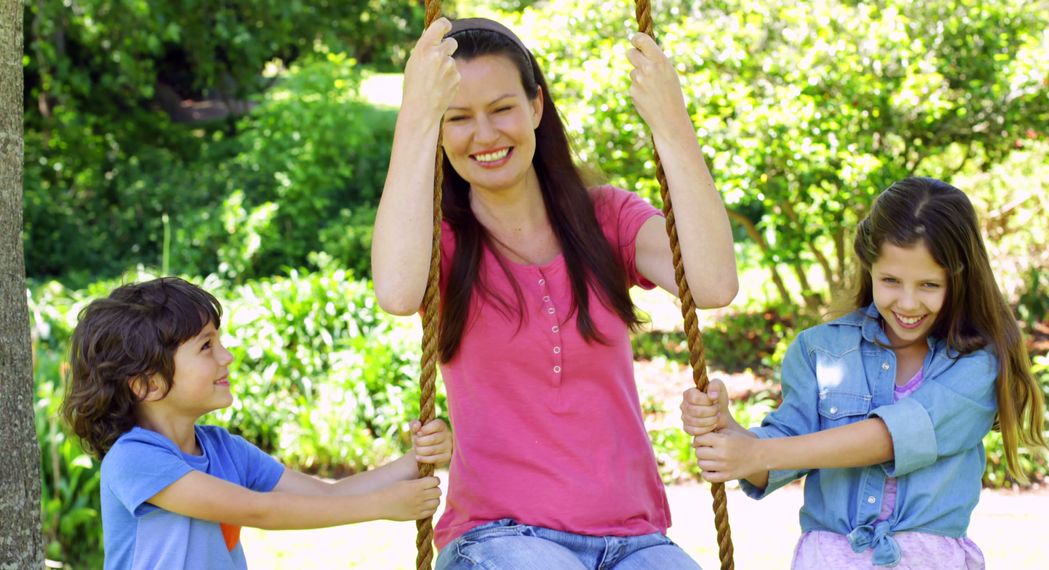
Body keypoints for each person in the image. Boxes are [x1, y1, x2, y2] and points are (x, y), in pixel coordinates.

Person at [372, 16, 738, 570]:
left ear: (536, 107)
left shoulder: (606, 218)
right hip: (499, 537)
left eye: (502, 109)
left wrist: (672, 123)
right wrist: (415, 117)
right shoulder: (437, 245)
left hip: (634, 538)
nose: (486, 135)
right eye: (458, 119)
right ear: (439, 131)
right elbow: (397, 293)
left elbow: (713, 283)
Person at [682, 177, 1046, 569]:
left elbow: (893, 437)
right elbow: (780, 455)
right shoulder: (821, 351)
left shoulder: (975, 365)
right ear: (869, 266)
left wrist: (758, 451)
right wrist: (730, 432)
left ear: (959, 279)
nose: (908, 302)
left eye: (928, 285)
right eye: (890, 280)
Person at [61, 277, 452, 570]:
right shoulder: (134, 459)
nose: (227, 357)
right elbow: (256, 510)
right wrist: (380, 505)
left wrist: (413, 460)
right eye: (206, 346)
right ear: (147, 383)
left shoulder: (224, 449)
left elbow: (326, 495)